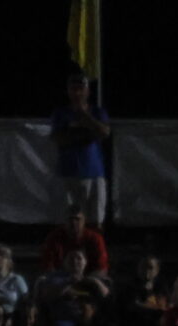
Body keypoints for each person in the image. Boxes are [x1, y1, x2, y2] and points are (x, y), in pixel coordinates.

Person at [50, 74, 113, 225]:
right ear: (68, 91)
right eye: (73, 89)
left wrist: (84, 116)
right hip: (68, 174)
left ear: (87, 91)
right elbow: (59, 139)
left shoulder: (97, 112)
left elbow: (104, 132)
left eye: (81, 89)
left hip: (94, 173)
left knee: (96, 220)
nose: (77, 93)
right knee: (70, 221)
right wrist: (88, 133)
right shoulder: (60, 113)